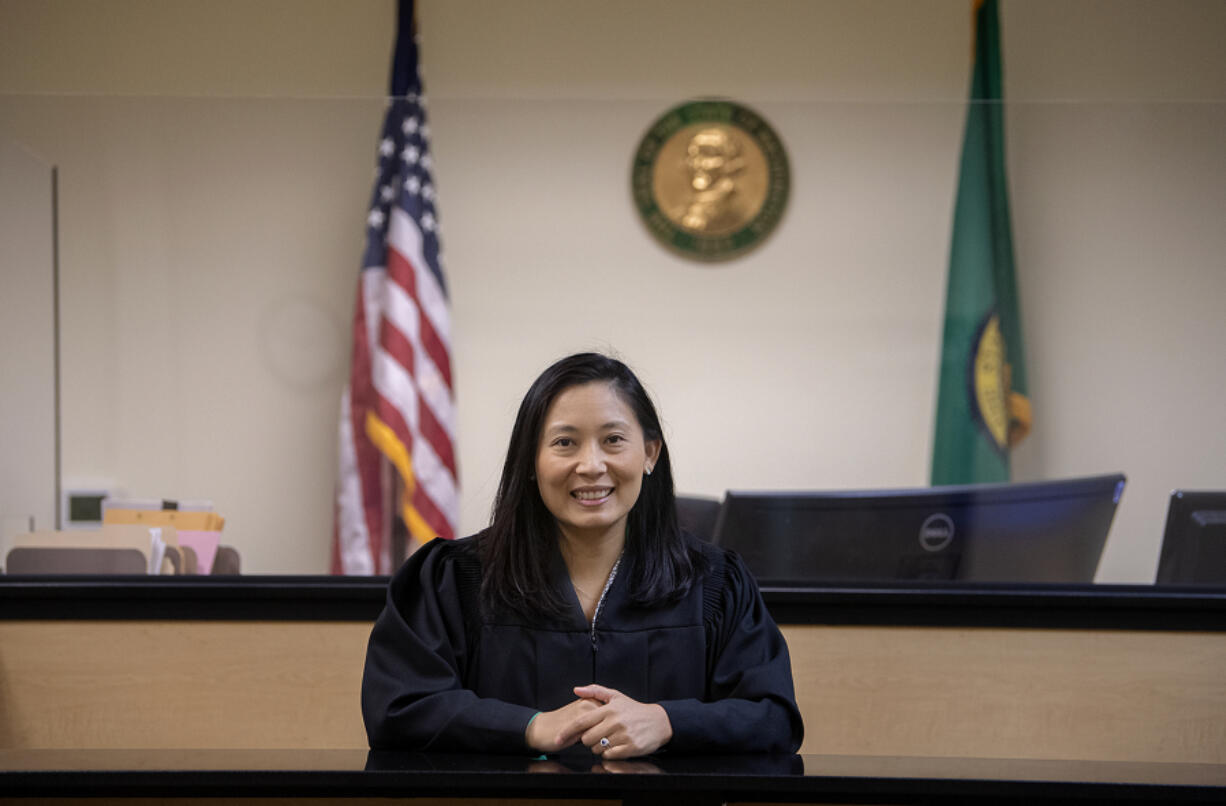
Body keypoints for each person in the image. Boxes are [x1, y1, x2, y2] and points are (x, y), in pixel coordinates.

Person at [362, 353, 803, 757]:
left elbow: (773, 717)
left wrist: (670, 721)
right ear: (530, 460)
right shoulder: (454, 580)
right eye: (564, 443)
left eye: (613, 439)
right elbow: (399, 708)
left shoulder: (715, 584)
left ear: (649, 453)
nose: (591, 465)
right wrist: (529, 726)